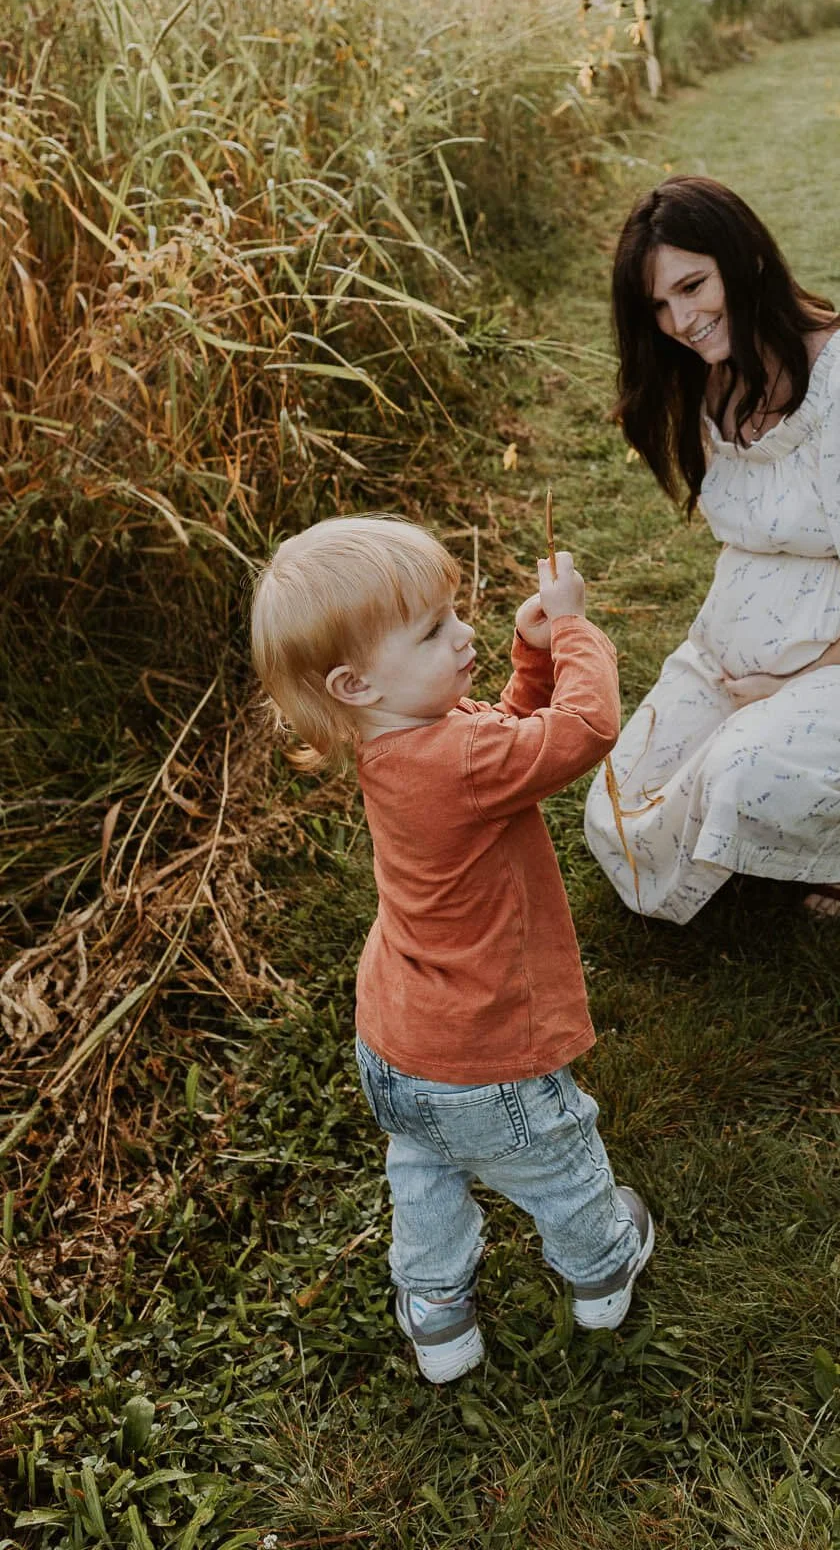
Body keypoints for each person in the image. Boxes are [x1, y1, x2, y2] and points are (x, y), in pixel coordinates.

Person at [251, 516, 653, 1383]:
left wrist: (531, 655)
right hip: (482, 1049)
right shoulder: (458, 758)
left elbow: (502, 736)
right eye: (434, 630)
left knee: (425, 1169)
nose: (462, 631)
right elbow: (582, 729)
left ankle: (436, 1314)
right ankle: (602, 1268)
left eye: (453, 613)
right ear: (355, 681)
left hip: (396, 1042)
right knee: (560, 1157)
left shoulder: (395, 738)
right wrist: (576, 629)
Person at [584, 175, 840, 924]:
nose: (681, 320)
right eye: (659, 307)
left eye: (693, 285)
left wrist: (795, 685)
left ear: (747, 259)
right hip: (736, 661)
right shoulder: (713, 384)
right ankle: (779, 804)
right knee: (616, 816)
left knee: (747, 775)